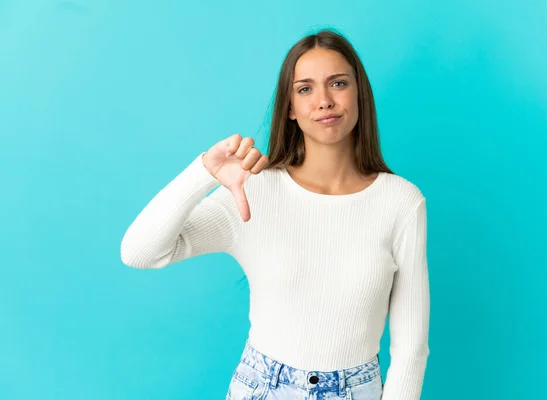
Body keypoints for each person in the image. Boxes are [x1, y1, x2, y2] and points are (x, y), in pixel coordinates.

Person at [120, 29, 430, 400]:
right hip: (262, 388)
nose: (324, 101)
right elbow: (140, 252)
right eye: (305, 89)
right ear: (289, 108)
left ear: (359, 93)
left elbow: (411, 348)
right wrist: (204, 171)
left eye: (338, 83)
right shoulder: (254, 190)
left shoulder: (401, 202)